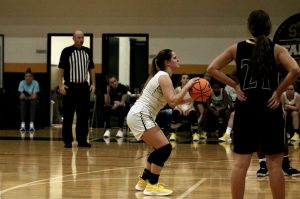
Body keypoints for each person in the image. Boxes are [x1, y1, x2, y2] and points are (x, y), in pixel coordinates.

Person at [206, 10, 300, 199]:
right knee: (275, 165)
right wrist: (279, 91)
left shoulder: (236, 48)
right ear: (269, 27)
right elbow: (295, 70)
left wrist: (235, 85)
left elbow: (211, 69)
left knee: (240, 164)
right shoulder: (276, 49)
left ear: (249, 27)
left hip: (245, 109)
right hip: (270, 109)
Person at [127, 49, 199, 196]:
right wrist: (188, 85)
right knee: (165, 148)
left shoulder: (163, 76)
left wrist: (195, 97)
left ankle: (143, 181)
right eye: (175, 57)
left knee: (159, 148)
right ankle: (153, 185)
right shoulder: (164, 76)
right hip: (140, 115)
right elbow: (173, 102)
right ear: (167, 62)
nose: (178, 60)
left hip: (140, 115)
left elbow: (174, 99)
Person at [58, 30, 96, 148]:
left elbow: (92, 69)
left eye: (82, 37)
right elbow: (61, 69)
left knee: (83, 115)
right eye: (79, 37)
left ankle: (82, 140)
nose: (81, 39)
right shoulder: (66, 51)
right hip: (70, 86)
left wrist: (93, 83)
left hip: (83, 86)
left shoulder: (87, 51)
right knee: (68, 115)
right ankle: (68, 140)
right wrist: (60, 85)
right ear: (73, 38)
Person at [169, 73, 199, 142]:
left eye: (187, 78)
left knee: (193, 113)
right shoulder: (177, 89)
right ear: (181, 80)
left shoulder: (192, 90)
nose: (186, 79)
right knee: (175, 113)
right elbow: (175, 101)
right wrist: (180, 108)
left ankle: (195, 133)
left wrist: (188, 109)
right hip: (179, 106)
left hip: (189, 106)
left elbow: (192, 102)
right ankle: (173, 133)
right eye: (184, 78)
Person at [18, 67, 40, 137]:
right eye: (26, 76)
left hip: (32, 100)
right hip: (25, 100)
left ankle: (31, 124)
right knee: (22, 102)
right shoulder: (21, 83)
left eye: (29, 76)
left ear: (32, 77)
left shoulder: (35, 83)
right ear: (24, 77)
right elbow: (21, 96)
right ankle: (23, 124)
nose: (27, 78)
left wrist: (27, 95)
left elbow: (35, 96)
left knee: (33, 102)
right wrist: (28, 95)